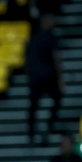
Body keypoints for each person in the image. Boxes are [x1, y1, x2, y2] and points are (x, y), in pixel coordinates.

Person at [24, 14, 63, 144]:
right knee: (36, 105)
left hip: (39, 78)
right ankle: (41, 128)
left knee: (35, 105)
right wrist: (60, 77)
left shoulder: (34, 38)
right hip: (45, 77)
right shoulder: (46, 38)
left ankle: (34, 131)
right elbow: (56, 57)